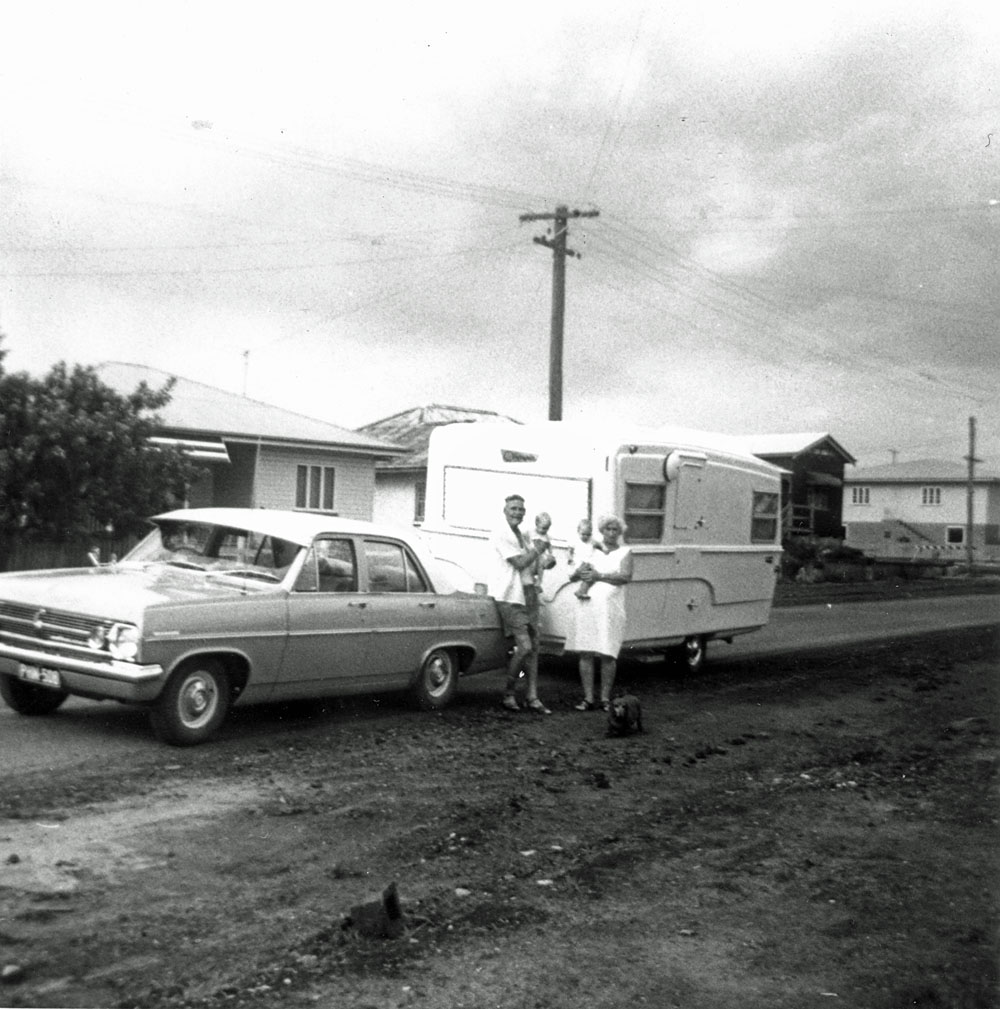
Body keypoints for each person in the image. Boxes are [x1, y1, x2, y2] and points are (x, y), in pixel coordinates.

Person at [487, 494, 553, 715]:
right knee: (524, 647)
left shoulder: (523, 536)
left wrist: (546, 561)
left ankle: (532, 696)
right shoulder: (500, 534)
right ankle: (508, 693)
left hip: (528, 593)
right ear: (504, 511)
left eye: (520, 509)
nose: (517, 513)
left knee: (534, 648)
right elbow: (519, 562)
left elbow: (532, 565)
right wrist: (537, 550)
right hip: (509, 596)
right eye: (513, 509)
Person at [565, 514, 633, 711]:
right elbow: (575, 574)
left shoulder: (625, 552)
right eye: (607, 529)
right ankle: (588, 698)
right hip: (587, 606)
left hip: (610, 609)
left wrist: (599, 576)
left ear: (620, 533)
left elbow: (626, 576)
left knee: (607, 653)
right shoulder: (591, 550)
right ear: (601, 531)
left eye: (615, 530)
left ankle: (604, 698)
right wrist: (579, 573)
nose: (611, 533)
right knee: (586, 651)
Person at [568, 518, 603, 599]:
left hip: (589, 566)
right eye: (583, 534)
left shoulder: (592, 541)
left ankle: (581, 591)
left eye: (588, 534)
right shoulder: (575, 541)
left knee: (592, 577)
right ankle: (575, 575)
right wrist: (570, 559)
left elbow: (600, 545)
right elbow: (569, 551)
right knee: (586, 570)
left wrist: (604, 549)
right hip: (579, 564)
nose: (586, 536)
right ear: (578, 532)